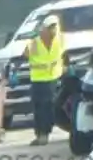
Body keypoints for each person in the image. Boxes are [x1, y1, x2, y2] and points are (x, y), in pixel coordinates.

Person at [28, 14, 66, 145]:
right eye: (50, 27)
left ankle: (45, 133)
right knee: (39, 108)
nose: (53, 30)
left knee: (49, 107)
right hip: (38, 80)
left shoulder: (60, 39)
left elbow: (64, 54)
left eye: (55, 27)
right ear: (44, 28)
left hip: (53, 78)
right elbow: (25, 55)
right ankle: (41, 134)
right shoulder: (35, 42)